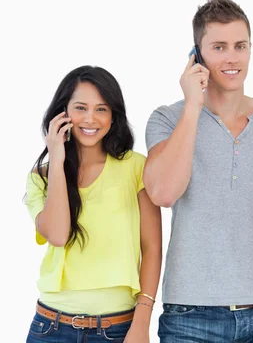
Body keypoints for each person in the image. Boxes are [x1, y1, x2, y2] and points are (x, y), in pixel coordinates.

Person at [143, 0, 253, 342]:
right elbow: (162, 193)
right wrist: (193, 106)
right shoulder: (167, 118)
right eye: (218, 47)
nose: (232, 57)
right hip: (190, 312)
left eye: (240, 45)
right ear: (196, 55)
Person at [25, 66, 162, 343]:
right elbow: (59, 234)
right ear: (63, 113)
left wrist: (142, 322)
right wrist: (57, 158)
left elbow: (152, 248)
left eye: (102, 109)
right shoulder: (41, 177)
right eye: (80, 108)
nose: (90, 118)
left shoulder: (136, 168)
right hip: (51, 327)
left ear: (114, 116)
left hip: (118, 329)